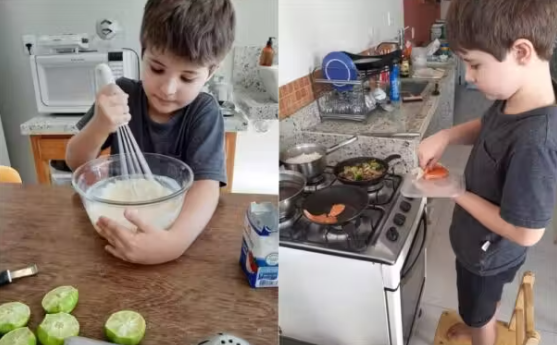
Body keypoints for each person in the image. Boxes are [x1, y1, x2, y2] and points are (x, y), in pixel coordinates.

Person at [418, 0, 557, 344]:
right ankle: (479, 322)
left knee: (477, 310)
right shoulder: (518, 95)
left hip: (486, 257)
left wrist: (455, 191)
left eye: (475, 64)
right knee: (483, 305)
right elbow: (487, 124)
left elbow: (526, 233)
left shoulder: (534, 142)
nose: (469, 76)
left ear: (521, 51)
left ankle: (481, 333)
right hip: (485, 248)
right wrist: (446, 134)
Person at [65, 0, 236, 265]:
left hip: (171, 233)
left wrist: (174, 244)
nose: (168, 88)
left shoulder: (204, 112)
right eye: (157, 68)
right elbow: (76, 162)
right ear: (142, 52)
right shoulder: (122, 94)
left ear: (211, 71)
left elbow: (206, 187)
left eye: (187, 78)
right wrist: (101, 122)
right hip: (113, 232)